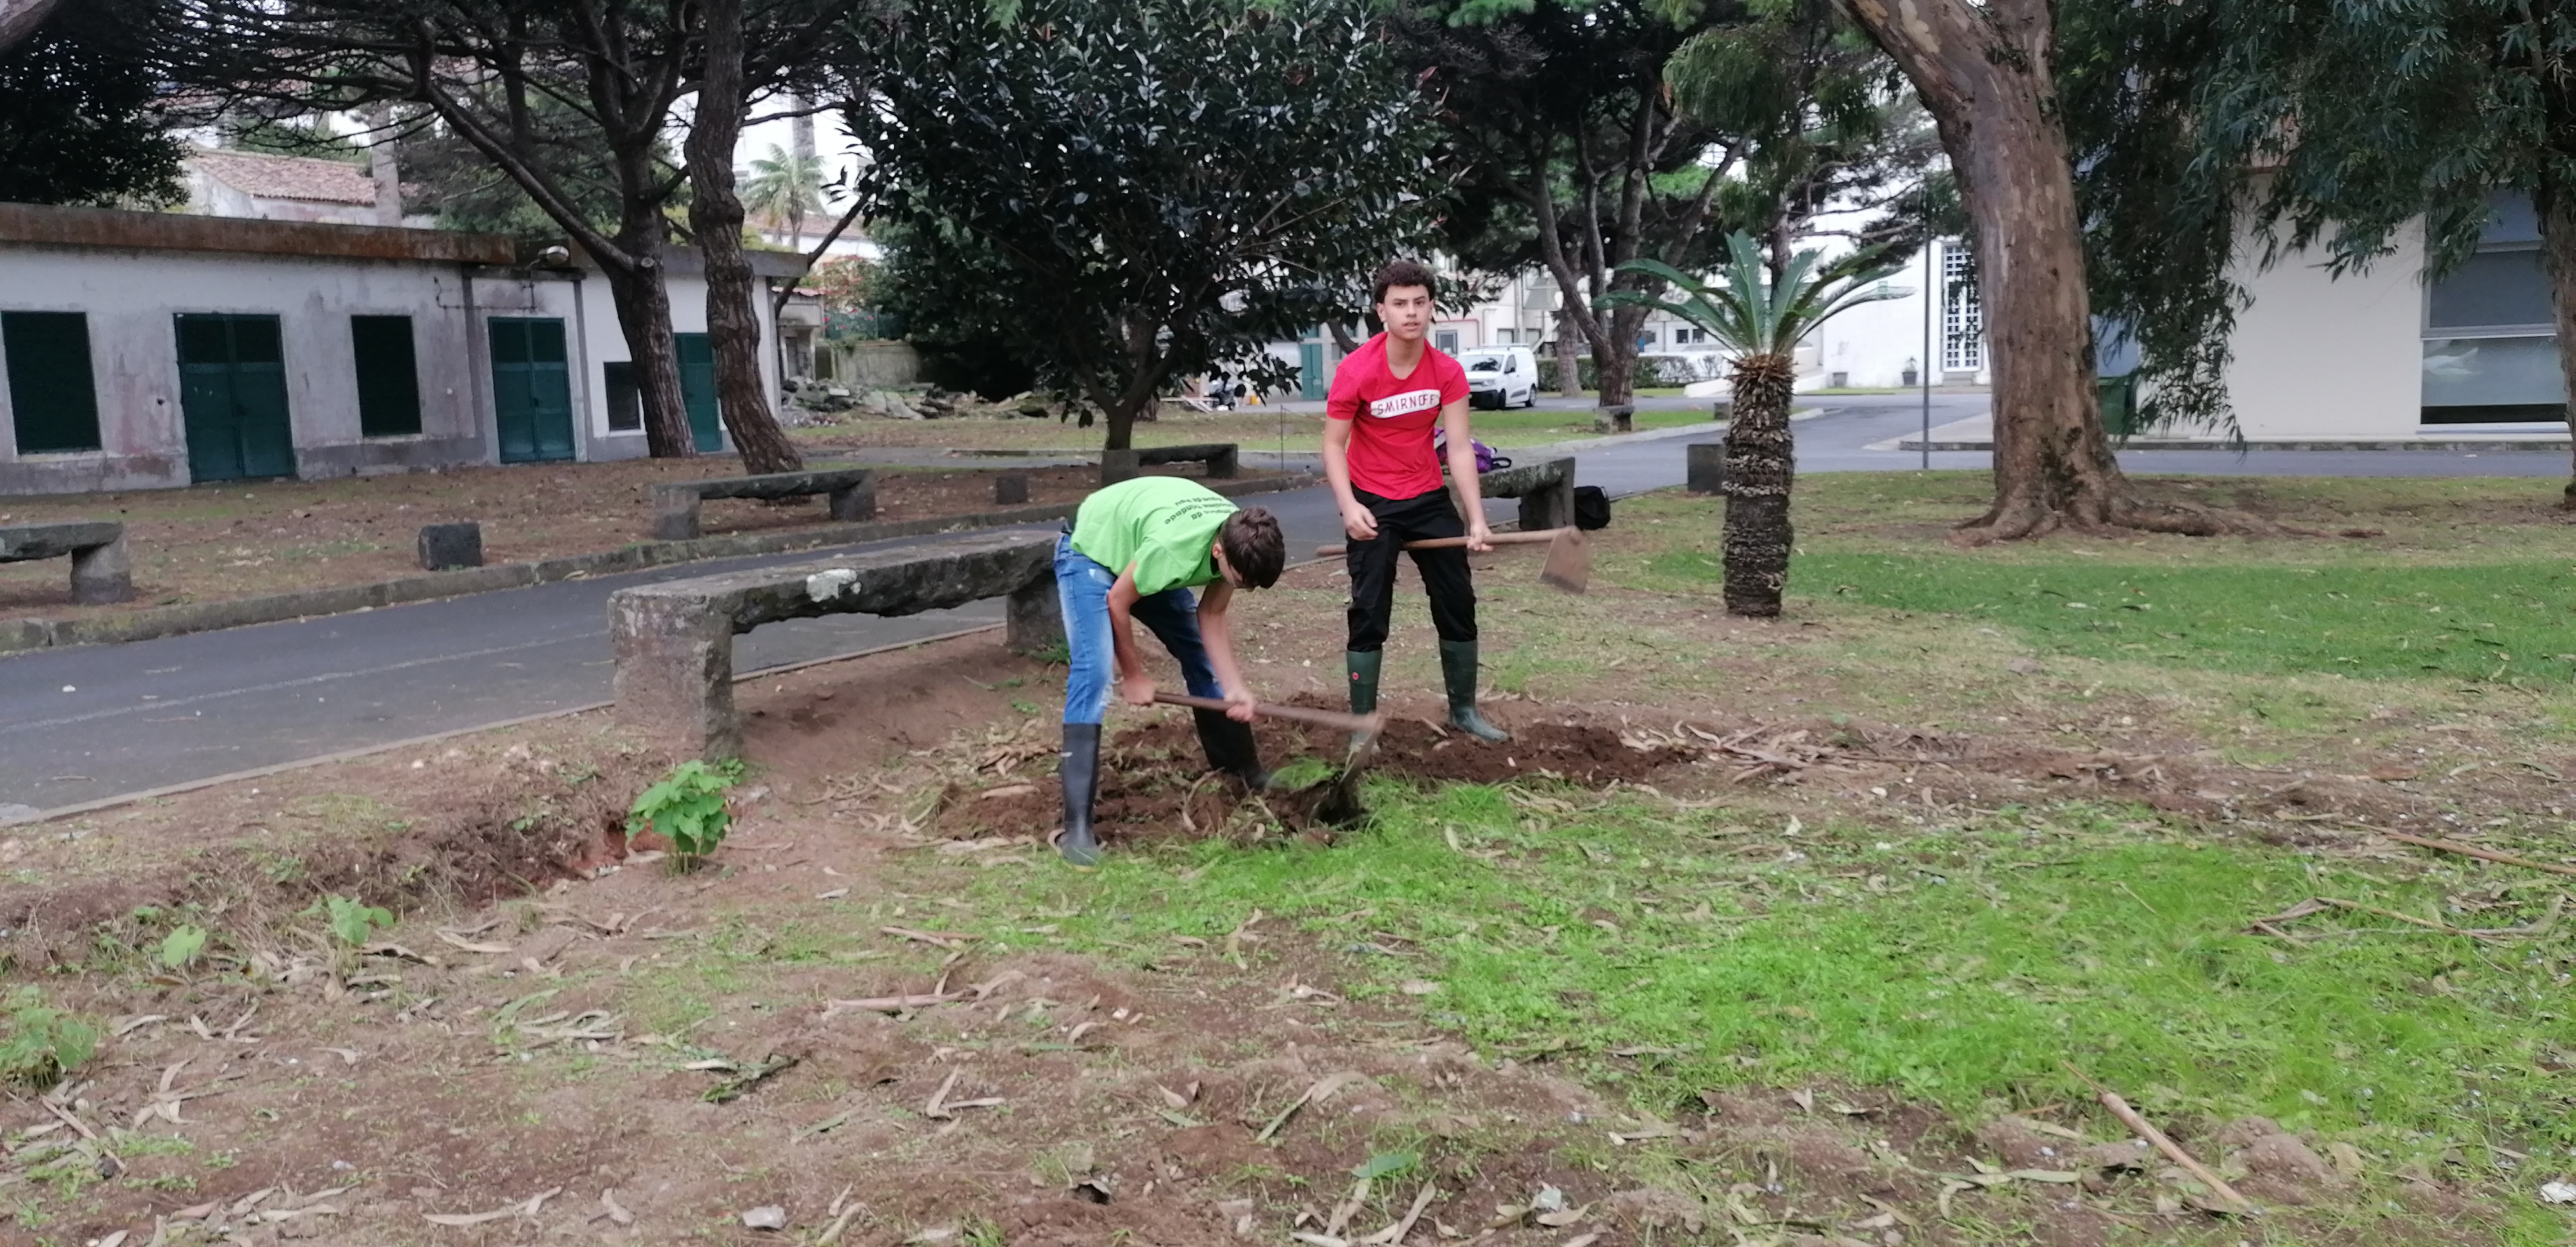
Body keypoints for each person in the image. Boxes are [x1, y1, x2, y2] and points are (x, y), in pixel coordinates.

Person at [1053, 475, 1287, 866]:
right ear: (1218, 550)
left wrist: (1234, 687)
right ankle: (1076, 828)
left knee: (1201, 659)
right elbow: (1118, 602)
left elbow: (1212, 614)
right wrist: (1134, 675)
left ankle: (1244, 772)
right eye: (1240, 582)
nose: (1242, 588)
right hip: (1091, 551)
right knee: (1094, 674)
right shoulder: (1173, 550)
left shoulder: (1241, 536)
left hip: (1142, 550)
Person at [1323, 259, 1510, 743]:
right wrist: (1349, 506)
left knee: (1457, 601)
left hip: (1428, 497)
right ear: (1381, 311)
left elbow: (1460, 448)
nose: (1411, 312)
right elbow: (1333, 446)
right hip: (1372, 500)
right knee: (1369, 610)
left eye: (1420, 303)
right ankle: (1362, 723)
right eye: (1400, 303)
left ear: (1431, 308)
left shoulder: (1446, 371)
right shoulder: (1356, 370)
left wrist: (1477, 519)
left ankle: (1463, 710)